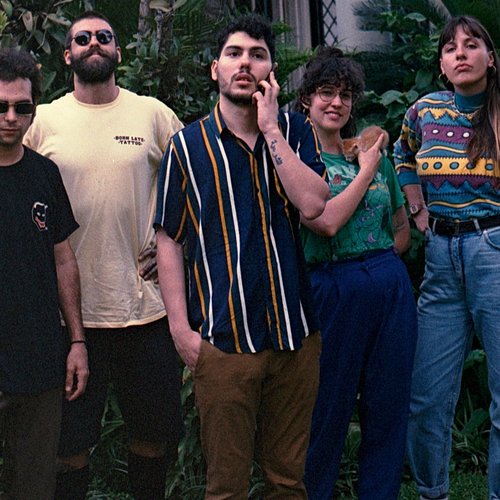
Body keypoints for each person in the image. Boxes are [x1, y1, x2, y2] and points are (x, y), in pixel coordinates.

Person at [155, 13, 330, 499]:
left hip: (295, 336)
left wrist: (271, 129)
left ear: (271, 71)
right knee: (226, 488)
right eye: (234, 54)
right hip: (224, 341)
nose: (245, 64)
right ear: (216, 68)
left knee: (287, 482)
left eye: (258, 55)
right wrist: (180, 331)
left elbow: (314, 204)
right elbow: (169, 239)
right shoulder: (186, 147)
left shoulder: (295, 131)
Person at [24, 11, 184, 500]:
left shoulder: (152, 114)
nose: (94, 43)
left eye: (104, 36)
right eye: (82, 38)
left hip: (146, 308)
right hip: (69, 316)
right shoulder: (43, 120)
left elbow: (197, 181)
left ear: (118, 51)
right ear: (67, 54)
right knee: (69, 447)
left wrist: (178, 242)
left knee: (152, 438)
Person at [295, 47, 417, 499]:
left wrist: (380, 267)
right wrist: (365, 172)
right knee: (328, 407)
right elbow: (324, 222)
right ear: (306, 99)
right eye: (326, 92)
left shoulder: (372, 154)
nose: (336, 103)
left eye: (345, 95)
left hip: (387, 281)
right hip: (332, 284)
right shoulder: (299, 161)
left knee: (388, 406)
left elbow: (400, 229)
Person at [394, 15, 500, 500]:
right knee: (427, 398)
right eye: (451, 48)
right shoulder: (424, 111)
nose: (461, 53)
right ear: (441, 63)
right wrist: (416, 207)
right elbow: (403, 156)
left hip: (492, 251)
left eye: (471, 45)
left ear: (490, 58)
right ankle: (432, 493)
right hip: (440, 256)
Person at [0, 47, 88, 500]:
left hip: (38, 361)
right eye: (1, 107)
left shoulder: (44, 175)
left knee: (33, 487)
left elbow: (63, 259)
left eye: (22, 108)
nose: (11, 118)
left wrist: (77, 341)